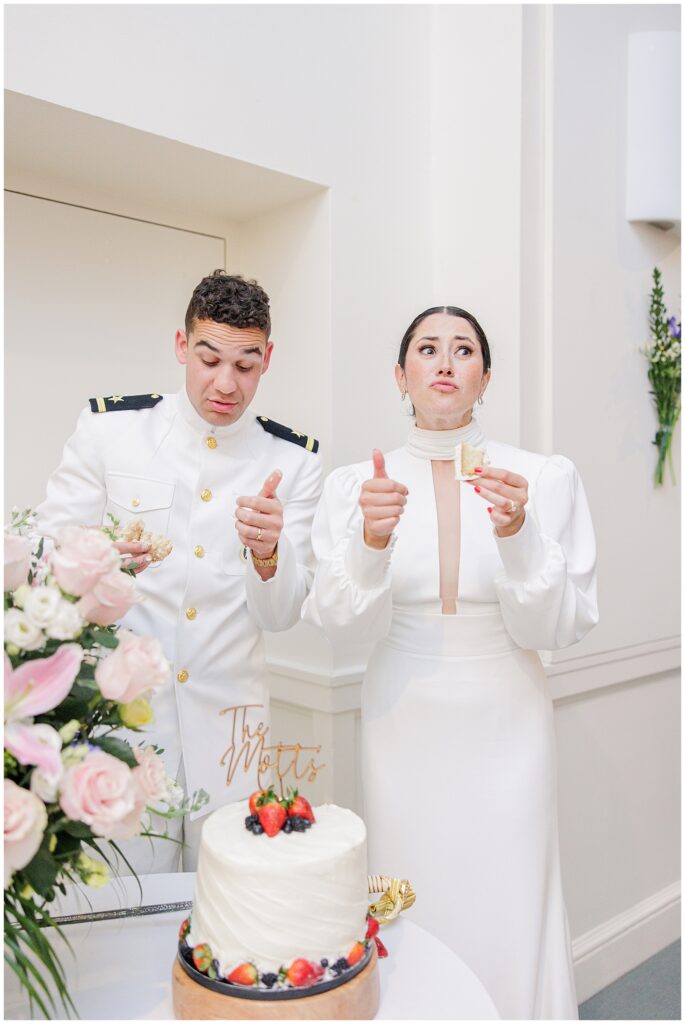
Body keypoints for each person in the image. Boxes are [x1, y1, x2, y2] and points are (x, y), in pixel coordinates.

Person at [303, 306, 597, 1019]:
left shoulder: (541, 479)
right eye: (426, 349)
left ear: (484, 377)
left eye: (462, 349)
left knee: (510, 890)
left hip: (507, 714)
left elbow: (556, 623)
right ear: (400, 375)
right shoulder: (355, 487)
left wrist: (518, 533)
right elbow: (343, 624)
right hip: (403, 713)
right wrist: (372, 540)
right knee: (413, 888)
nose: (443, 361)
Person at [36, 271, 322, 871]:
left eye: (245, 366)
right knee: (121, 904)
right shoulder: (111, 430)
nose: (225, 383)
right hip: (120, 732)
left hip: (233, 742)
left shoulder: (292, 463)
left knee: (228, 917)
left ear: (267, 359)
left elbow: (281, 615)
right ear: (180, 346)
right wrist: (104, 569)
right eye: (208, 358)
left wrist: (270, 555)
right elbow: (48, 563)